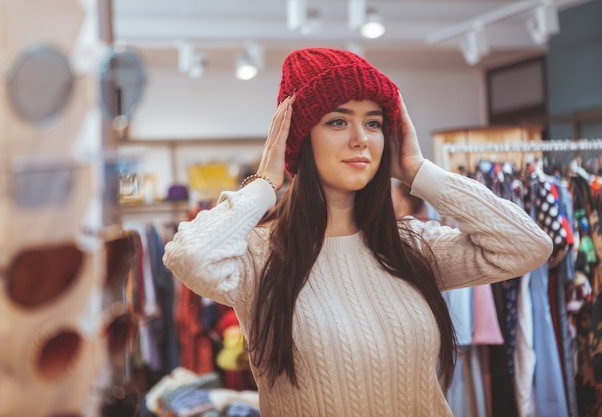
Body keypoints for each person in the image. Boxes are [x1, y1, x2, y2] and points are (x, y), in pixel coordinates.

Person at [163, 47, 553, 417]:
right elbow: (190, 256)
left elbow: (527, 246)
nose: (361, 139)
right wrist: (265, 182)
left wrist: (419, 171)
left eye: (374, 123)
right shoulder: (260, 256)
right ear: (298, 138)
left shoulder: (410, 246)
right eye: (338, 121)